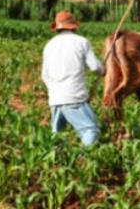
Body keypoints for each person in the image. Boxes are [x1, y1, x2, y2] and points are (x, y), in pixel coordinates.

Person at [41, 10, 104, 146]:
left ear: (57, 28)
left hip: (55, 99)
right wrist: (103, 70)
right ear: (74, 26)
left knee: (58, 136)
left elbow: (44, 75)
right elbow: (94, 67)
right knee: (91, 130)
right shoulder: (81, 42)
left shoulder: (49, 45)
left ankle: (56, 163)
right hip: (74, 97)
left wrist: (55, 90)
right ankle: (83, 161)